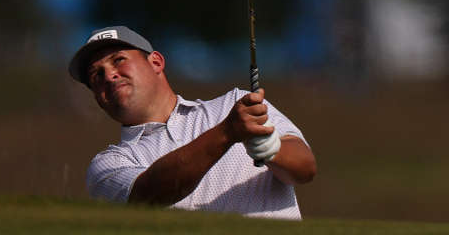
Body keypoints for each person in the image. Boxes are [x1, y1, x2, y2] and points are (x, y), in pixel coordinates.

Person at [68, 25, 317, 219]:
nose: (109, 75)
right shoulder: (107, 165)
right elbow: (147, 195)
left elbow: (305, 169)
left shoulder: (236, 103)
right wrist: (227, 133)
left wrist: (271, 149)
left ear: (156, 62)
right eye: (96, 75)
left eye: (119, 60)